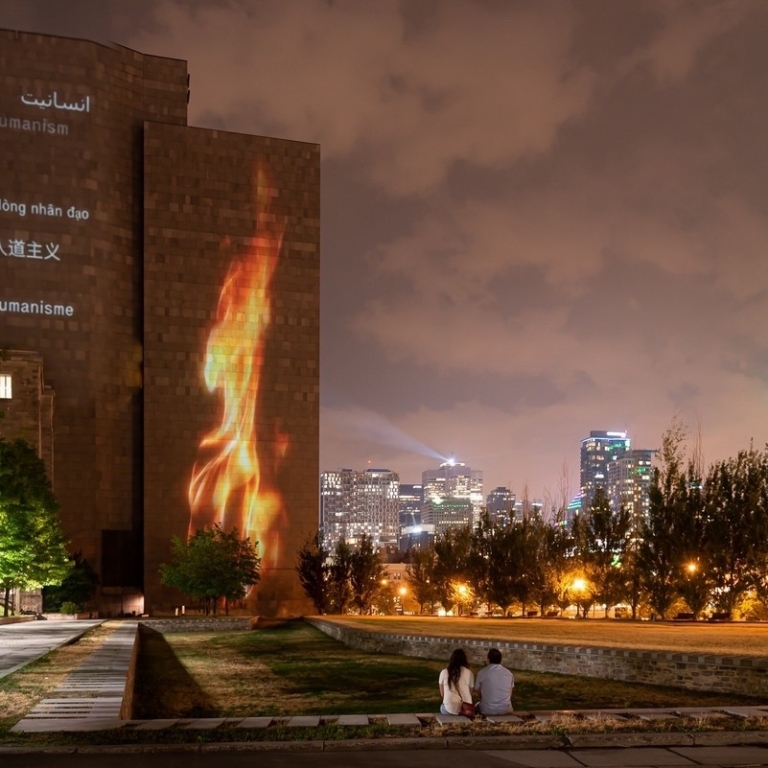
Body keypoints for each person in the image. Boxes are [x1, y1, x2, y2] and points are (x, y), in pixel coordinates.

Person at [473, 647, 514, 716]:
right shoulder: (509, 673)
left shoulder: (482, 672)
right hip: (506, 709)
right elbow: (510, 692)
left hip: (487, 709)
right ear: (500, 660)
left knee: (476, 706)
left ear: (488, 659)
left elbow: (477, 690)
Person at [438, 648, 475, 715]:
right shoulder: (469, 673)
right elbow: (470, 692)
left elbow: (442, 694)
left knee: (442, 707)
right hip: (466, 710)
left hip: (449, 709)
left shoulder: (444, 672)